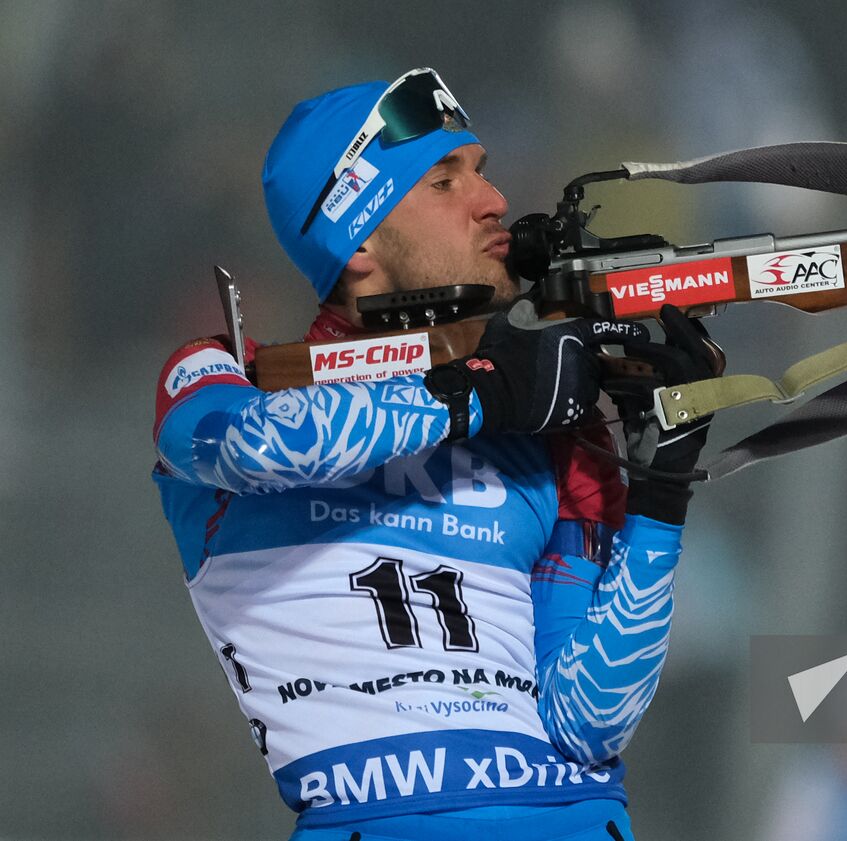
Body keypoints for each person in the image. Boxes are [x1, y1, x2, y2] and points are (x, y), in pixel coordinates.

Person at [152, 68, 713, 841]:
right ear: (358, 242)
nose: (494, 202)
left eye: (481, 172)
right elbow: (248, 446)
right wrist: (475, 395)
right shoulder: (228, 373)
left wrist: (662, 497)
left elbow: (590, 723)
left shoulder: (547, 426)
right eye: (445, 183)